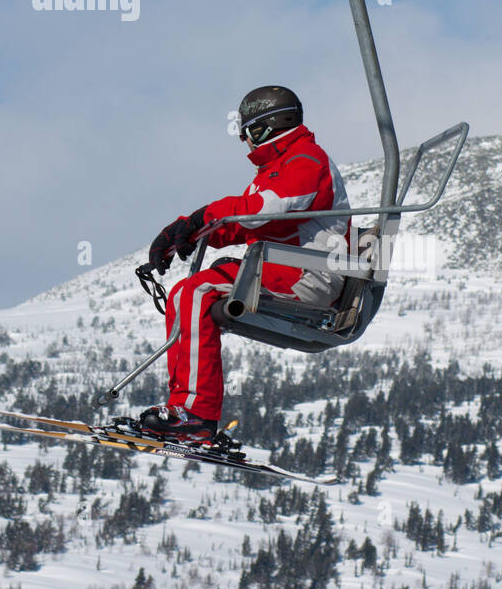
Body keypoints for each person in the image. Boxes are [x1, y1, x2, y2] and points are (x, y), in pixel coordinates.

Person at [138, 85, 350, 441]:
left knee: (195, 292)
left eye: (247, 132)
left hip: (305, 274)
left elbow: (263, 211)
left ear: (265, 127)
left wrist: (199, 218)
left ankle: (193, 415)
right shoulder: (281, 167)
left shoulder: (305, 160)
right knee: (187, 293)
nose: (245, 142)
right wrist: (186, 236)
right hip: (285, 267)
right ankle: (188, 410)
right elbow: (249, 223)